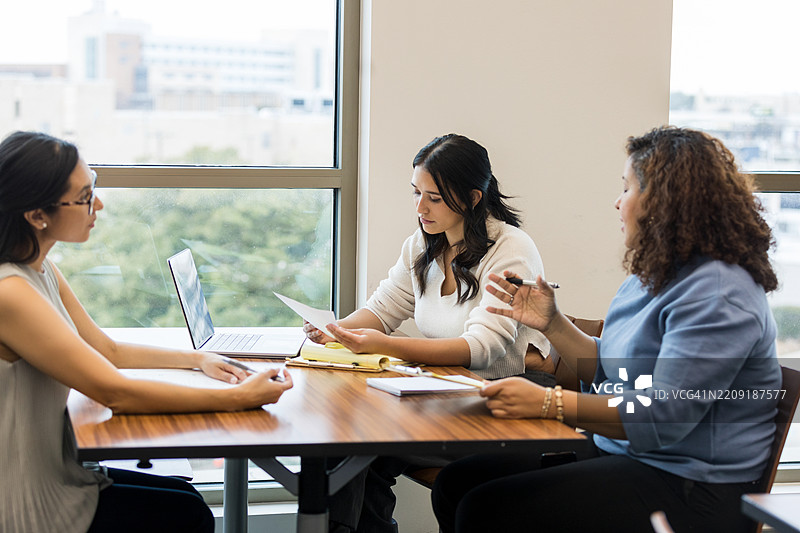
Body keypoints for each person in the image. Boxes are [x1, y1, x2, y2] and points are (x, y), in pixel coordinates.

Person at [431, 126, 781, 533]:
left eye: (627, 188)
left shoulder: (720, 294)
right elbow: (613, 371)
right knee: (457, 484)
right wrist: (553, 323)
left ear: (665, 202)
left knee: (486, 509)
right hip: (627, 454)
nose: (617, 202)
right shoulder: (655, 273)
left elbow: (663, 417)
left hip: (691, 489)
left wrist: (551, 404)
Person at [0, 131, 293, 533]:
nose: (98, 204)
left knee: (186, 499)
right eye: (86, 196)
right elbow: (115, 392)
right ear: (37, 215)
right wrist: (238, 398)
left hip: (61, 477)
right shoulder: (10, 293)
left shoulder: (40, 267)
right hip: (28, 506)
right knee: (187, 515)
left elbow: (107, 350)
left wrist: (198, 359)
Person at [303, 133, 548, 532]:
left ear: (472, 198)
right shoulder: (422, 244)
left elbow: (482, 349)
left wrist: (387, 346)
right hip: (446, 391)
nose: (420, 207)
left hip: (502, 398)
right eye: (416, 193)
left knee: (357, 448)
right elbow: (383, 310)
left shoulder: (511, 248)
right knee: (350, 446)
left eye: (434, 198)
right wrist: (335, 329)